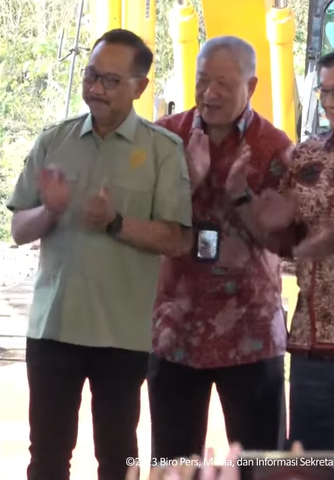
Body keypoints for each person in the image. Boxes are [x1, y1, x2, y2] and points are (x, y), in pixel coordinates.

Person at [6, 29, 193, 480]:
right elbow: (16, 229)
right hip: (53, 328)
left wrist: (116, 222)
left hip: (122, 335)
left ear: (140, 87)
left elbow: (177, 239)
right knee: (47, 457)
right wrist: (49, 211)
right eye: (91, 76)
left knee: (117, 456)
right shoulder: (55, 141)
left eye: (110, 81)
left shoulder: (162, 151)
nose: (94, 88)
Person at [148, 36, 294, 462]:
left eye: (223, 84)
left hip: (250, 332)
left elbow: (285, 244)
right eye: (201, 80)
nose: (209, 93)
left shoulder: (273, 146)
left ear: (252, 84)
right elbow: (142, 218)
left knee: (259, 462)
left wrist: (242, 199)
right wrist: (186, 183)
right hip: (176, 327)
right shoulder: (165, 136)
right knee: (175, 463)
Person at [246, 51, 334, 451]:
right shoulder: (306, 157)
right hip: (312, 346)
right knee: (310, 460)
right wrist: (256, 215)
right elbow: (284, 241)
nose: (330, 101)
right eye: (325, 91)